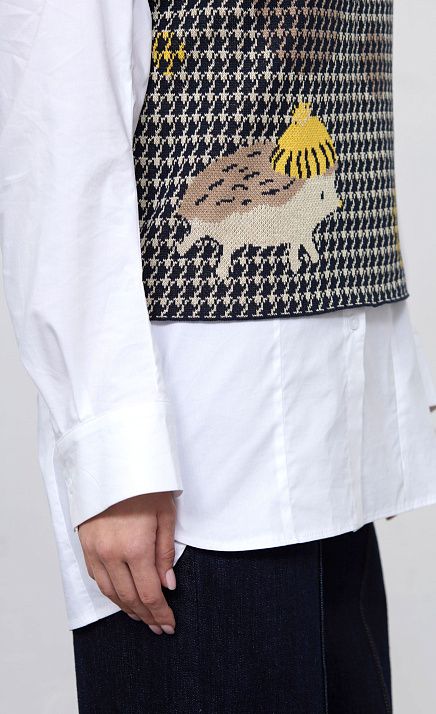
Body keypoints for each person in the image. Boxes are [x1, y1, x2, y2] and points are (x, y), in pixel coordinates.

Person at [1, 0, 436, 712]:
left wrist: (380, 409)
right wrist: (111, 455)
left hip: (336, 461)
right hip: (194, 471)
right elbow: (61, 137)